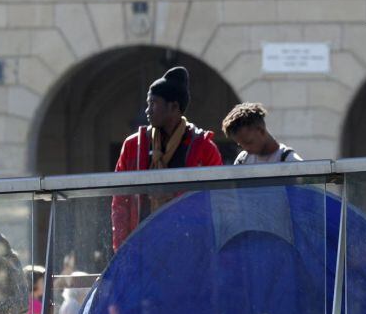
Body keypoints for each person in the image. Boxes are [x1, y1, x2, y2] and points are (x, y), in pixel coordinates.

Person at [110, 67, 223, 251]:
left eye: (153, 103)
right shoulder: (133, 146)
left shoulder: (204, 149)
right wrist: (122, 249)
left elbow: (218, 204)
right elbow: (120, 201)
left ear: (174, 107)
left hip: (189, 249)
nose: (147, 110)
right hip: (142, 248)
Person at [221, 102, 303, 164]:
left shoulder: (289, 161)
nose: (246, 149)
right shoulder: (242, 160)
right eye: (241, 145)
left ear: (261, 131)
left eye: (249, 142)